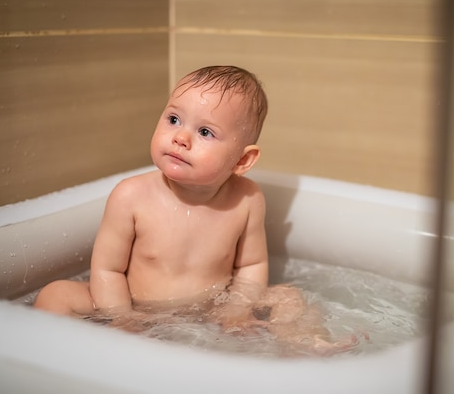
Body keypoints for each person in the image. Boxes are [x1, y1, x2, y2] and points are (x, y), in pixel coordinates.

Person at [34, 65, 357, 355]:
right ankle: (62, 358)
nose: (180, 138)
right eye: (173, 119)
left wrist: (236, 308)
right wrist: (121, 317)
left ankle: (305, 345)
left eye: (205, 132)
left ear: (242, 161)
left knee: (289, 298)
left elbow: (252, 264)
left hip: (211, 308)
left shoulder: (247, 199)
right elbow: (107, 270)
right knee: (56, 295)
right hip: (134, 304)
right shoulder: (131, 195)